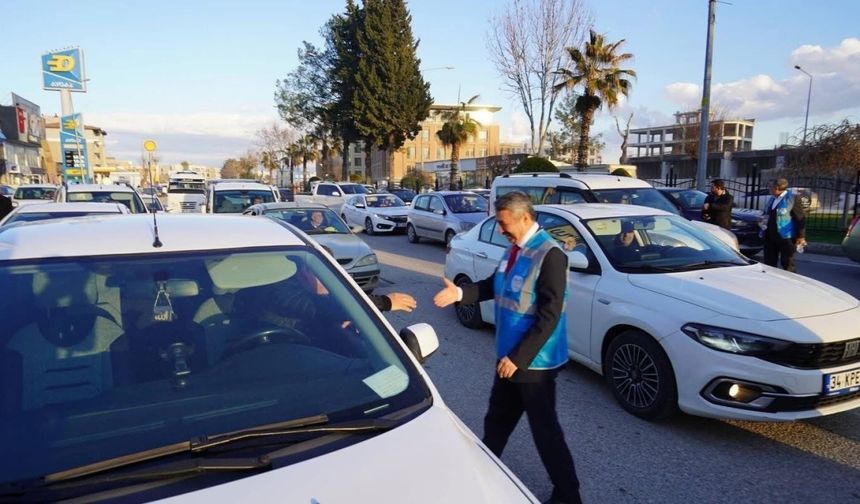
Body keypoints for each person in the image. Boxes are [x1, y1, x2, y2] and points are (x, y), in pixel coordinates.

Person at [432, 191, 581, 504]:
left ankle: (568, 495)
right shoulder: (514, 249)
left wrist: (518, 358)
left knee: (544, 430)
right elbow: (493, 285)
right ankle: (483, 475)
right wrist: (460, 293)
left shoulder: (550, 255)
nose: (500, 230)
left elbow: (550, 315)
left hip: (534, 363)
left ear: (524, 218)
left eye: (503, 223)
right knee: (497, 419)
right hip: (508, 357)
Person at [761, 178, 806, 272]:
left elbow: (800, 219)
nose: (768, 188)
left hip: (786, 237)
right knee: (769, 263)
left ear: (776, 188)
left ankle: (790, 283)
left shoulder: (793, 199)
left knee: (788, 263)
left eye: (770, 186)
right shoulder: (772, 198)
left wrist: (801, 236)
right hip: (770, 236)